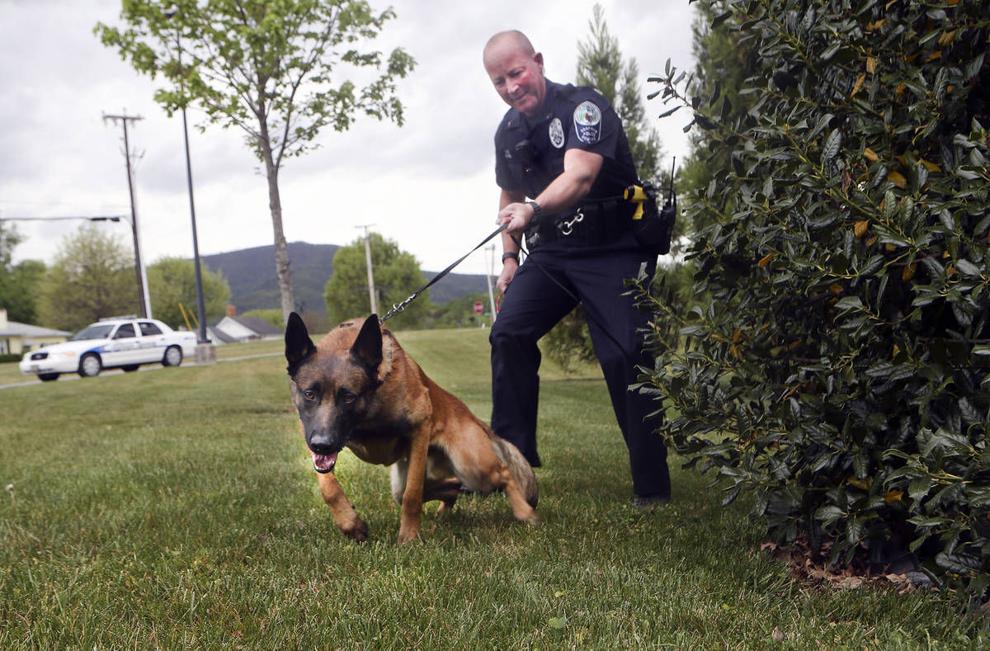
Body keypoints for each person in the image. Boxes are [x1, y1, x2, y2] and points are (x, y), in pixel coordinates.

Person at [482, 30, 671, 506]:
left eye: (516, 73)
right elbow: (509, 197)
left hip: (612, 246)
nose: (510, 86)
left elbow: (580, 175)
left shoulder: (583, 107)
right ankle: (511, 463)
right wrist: (509, 257)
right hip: (554, 254)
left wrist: (532, 210)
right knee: (508, 333)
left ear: (538, 62)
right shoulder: (508, 131)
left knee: (625, 353)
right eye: (498, 80)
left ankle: (652, 484)